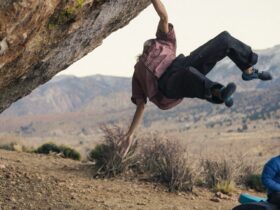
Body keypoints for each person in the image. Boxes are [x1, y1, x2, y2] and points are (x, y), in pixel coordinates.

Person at [119, 0, 273, 156]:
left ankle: (248, 70)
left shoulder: (164, 41)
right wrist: (130, 133)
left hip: (182, 64)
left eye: (151, 43)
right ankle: (219, 93)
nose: (149, 45)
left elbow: (163, 16)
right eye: (147, 46)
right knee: (187, 73)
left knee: (224, 40)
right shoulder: (138, 71)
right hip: (166, 86)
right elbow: (141, 105)